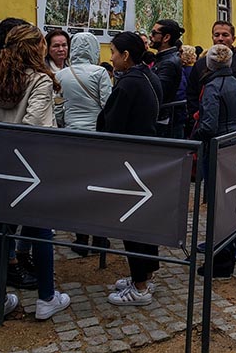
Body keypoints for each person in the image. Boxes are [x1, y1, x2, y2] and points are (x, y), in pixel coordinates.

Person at [0, 24, 70, 322]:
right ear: (36, 48)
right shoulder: (40, 82)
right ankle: (46, 297)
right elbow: (33, 124)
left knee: (1, 230)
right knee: (40, 228)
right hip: (33, 162)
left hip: (0, 161)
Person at [97, 31, 163, 306]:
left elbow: (112, 124)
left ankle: (140, 286)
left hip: (129, 160)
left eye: (113, 52)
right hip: (143, 157)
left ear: (125, 56)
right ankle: (145, 273)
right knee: (143, 220)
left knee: (131, 222)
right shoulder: (148, 76)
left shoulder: (128, 84)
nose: (110, 57)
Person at [55, 32, 113, 255]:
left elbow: (58, 107)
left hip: (72, 136)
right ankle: (100, 238)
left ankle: (80, 239)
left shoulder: (61, 74)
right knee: (98, 187)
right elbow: (107, 104)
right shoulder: (99, 72)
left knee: (78, 186)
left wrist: (66, 124)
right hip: (96, 137)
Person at [195, 44, 236, 278]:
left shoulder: (212, 86)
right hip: (235, 141)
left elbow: (208, 125)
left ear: (209, 65)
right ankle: (226, 246)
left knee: (219, 200)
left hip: (217, 145)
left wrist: (194, 136)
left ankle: (221, 257)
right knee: (231, 197)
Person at [149, 19, 185, 137]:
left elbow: (159, 92)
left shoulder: (168, 62)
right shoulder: (165, 58)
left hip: (162, 120)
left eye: (154, 33)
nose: (151, 36)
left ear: (166, 38)